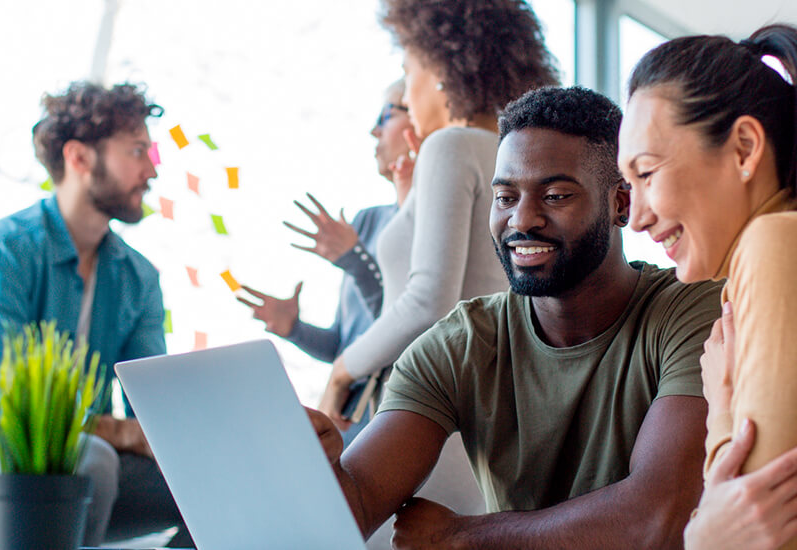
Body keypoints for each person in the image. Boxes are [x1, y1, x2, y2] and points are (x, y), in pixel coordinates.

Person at [310, 85, 723, 549]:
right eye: (505, 197)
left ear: (621, 204)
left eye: (556, 195)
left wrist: (462, 537)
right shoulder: (461, 343)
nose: (522, 219)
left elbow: (658, 517)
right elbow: (357, 506)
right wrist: (316, 469)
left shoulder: (695, 310)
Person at [0, 82, 192, 548]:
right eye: (138, 150)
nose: (152, 169)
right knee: (91, 459)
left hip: (90, 473)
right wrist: (120, 431)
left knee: (223, 476)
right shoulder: (1, 252)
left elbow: (154, 417)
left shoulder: (138, 277)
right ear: (79, 158)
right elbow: (2, 410)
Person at [620, 23, 797, 549]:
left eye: (647, 173)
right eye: (627, 186)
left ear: (745, 148)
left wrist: (721, 408)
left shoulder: (782, 243)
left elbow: (763, 534)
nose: (635, 218)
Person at [318, 0, 560, 430]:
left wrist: (341, 371)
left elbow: (428, 301)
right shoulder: (518, 155)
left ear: (442, 68)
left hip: (427, 408)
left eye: (409, 72)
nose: (408, 95)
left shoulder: (450, 146)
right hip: (487, 402)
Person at [238, 79, 416, 442]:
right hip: (348, 417)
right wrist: (295, 330)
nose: (374, 130)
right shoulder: (366, 220)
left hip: (391, 415)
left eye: (386, 114)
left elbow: (409, 322)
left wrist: (354, 260)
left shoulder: (431, 225)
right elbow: (344, 345)